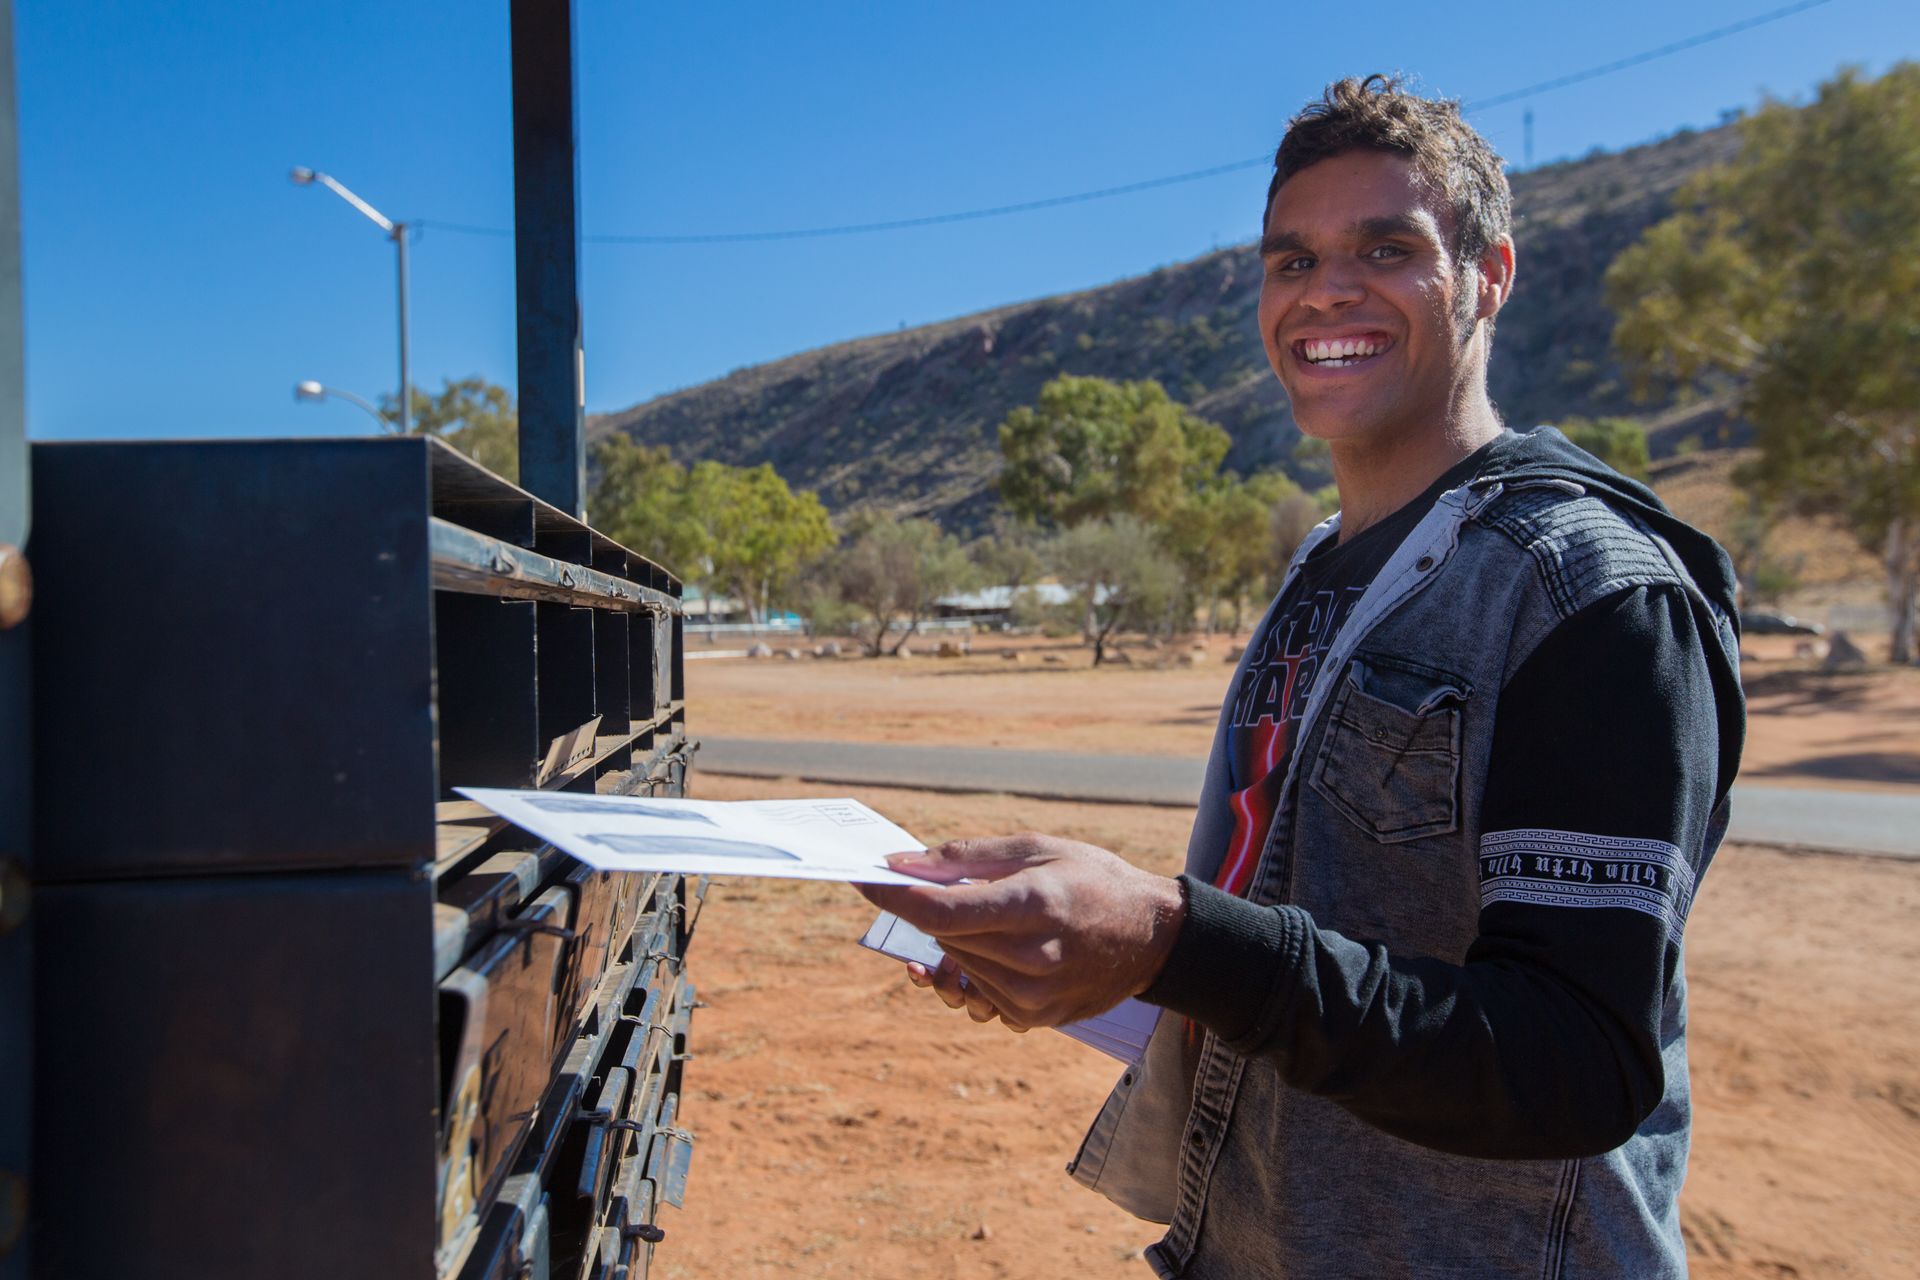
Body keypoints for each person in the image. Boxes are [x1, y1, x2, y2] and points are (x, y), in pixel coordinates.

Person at [859, 74, 1745, 1279]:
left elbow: (1575, 1061)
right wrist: (1090, 966)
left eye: (1387, 247)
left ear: (1489, 275)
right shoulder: (1320, 572)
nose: (1326, 288)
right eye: (1291, 261)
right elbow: (1290, 951)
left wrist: (1173, 939)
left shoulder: (1589, 595)